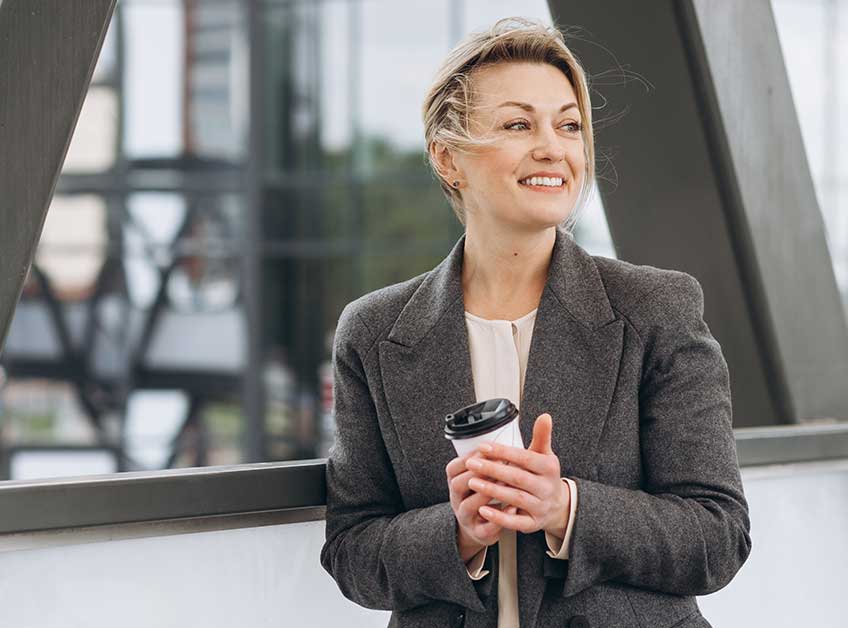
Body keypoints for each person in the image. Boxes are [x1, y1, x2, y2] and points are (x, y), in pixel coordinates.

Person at [320, 17, 751, 628]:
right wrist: (458, 532)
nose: (553, 147)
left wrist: (566, 507)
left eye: (569, 125)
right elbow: (351, 550)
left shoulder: (657, 310)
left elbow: (719, 536)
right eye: (519, 124)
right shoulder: (374, 332)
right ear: (448, 159)